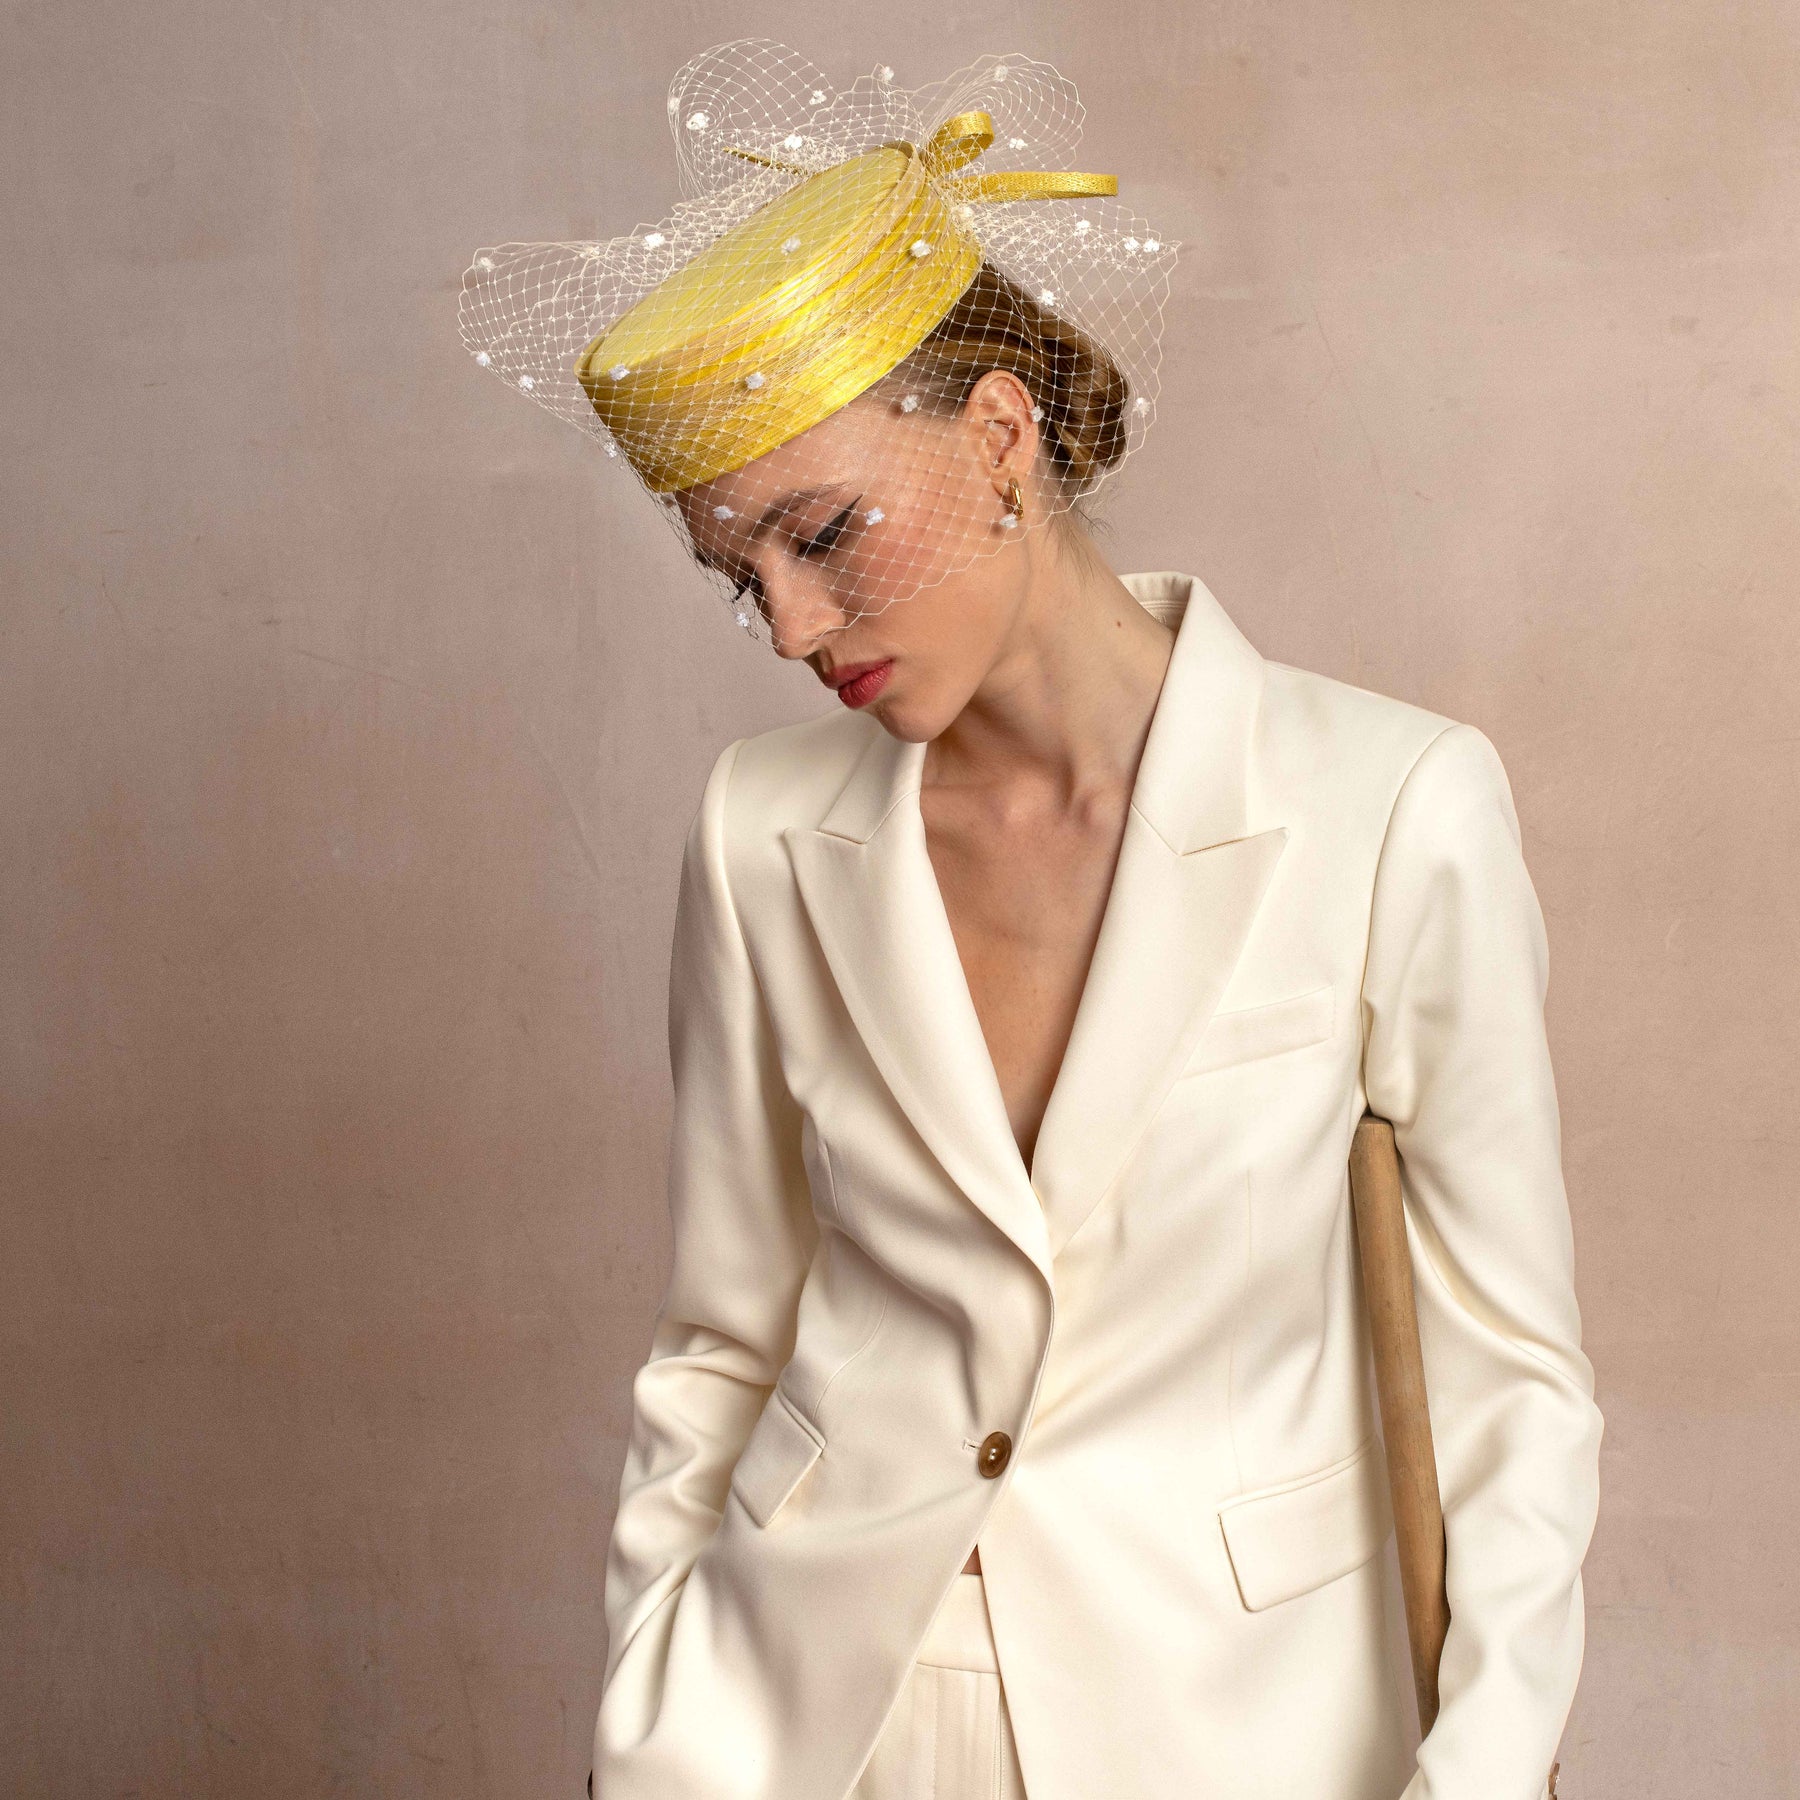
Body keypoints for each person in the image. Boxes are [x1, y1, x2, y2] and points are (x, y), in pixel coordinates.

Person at [461, 41, 1603, 1800]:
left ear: (1000, 436)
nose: (789, 627)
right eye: (738, 573)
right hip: (813, 1723)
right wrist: (653, 1720)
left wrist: (1488, 1769)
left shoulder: (1393, 805)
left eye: (825, 533)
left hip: (1240, 1728)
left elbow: (1511, 1377)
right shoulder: (761, 832)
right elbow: (722, 1336)